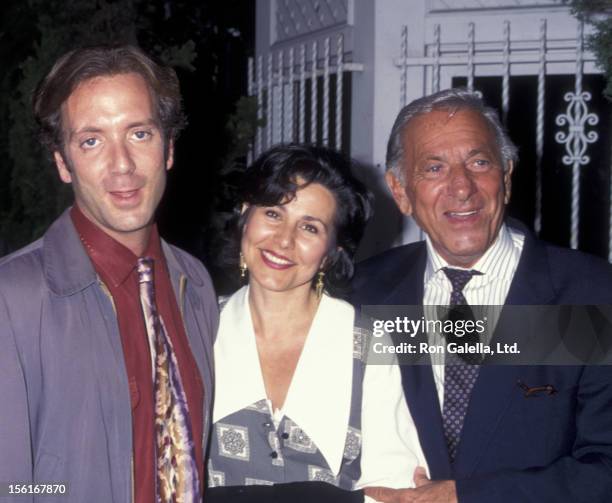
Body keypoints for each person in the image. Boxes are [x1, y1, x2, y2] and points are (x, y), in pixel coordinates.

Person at [351, 88, 612, 502]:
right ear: (400, 191)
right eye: (434, 168)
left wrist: (467, 497)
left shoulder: (593, 294)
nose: (461, 187)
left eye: (479, 161)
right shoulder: (363, 294)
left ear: (506, 177)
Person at [0, 45, 218, 502]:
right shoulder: (12, 299)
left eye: (139, 134)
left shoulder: (193, 284)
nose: (122, 165)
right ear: (63, 163)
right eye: (91, 141)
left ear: (169, 148)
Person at [207, 144, 427, 501]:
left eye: (309, 228)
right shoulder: (197, 327)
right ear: (245, 216)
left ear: (331, 254)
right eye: (273, 214)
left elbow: (393, 490)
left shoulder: (370, 344)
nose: (283, 240)